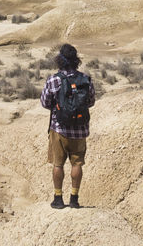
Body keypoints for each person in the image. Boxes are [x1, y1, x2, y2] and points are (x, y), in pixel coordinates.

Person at [40, 43, 96, 209]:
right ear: (76, 60)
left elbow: (44, 102)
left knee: (58, 164)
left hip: (59, 129)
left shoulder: (54, 80)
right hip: (80, 130)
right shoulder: (85, 79)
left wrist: (59, 108)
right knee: (77, 164)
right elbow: (91, 102)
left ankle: (58, 198)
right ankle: (74, 198)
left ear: (60, 60)